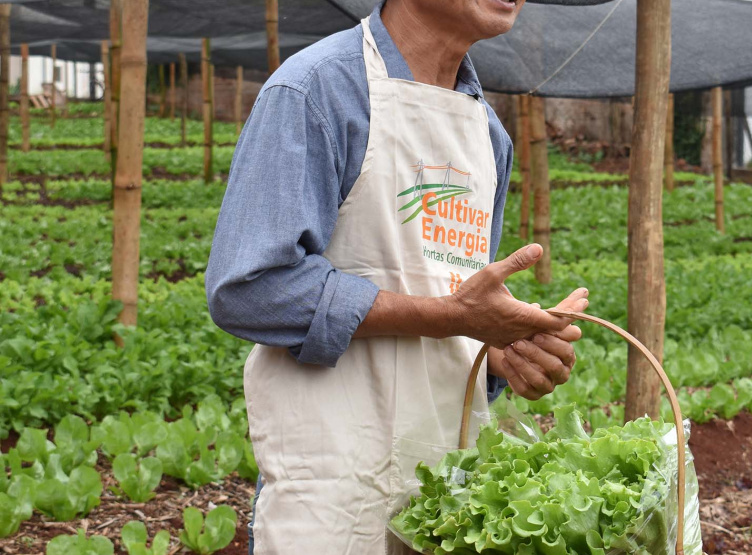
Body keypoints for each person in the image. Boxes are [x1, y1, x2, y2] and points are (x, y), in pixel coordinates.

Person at [206, 0, 593, 552]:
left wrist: (499, 354)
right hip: (333, 479)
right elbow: (249, 288)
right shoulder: (317, 90)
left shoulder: (486, 134)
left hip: (448, 478)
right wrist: (447, 319)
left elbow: (453, 295)